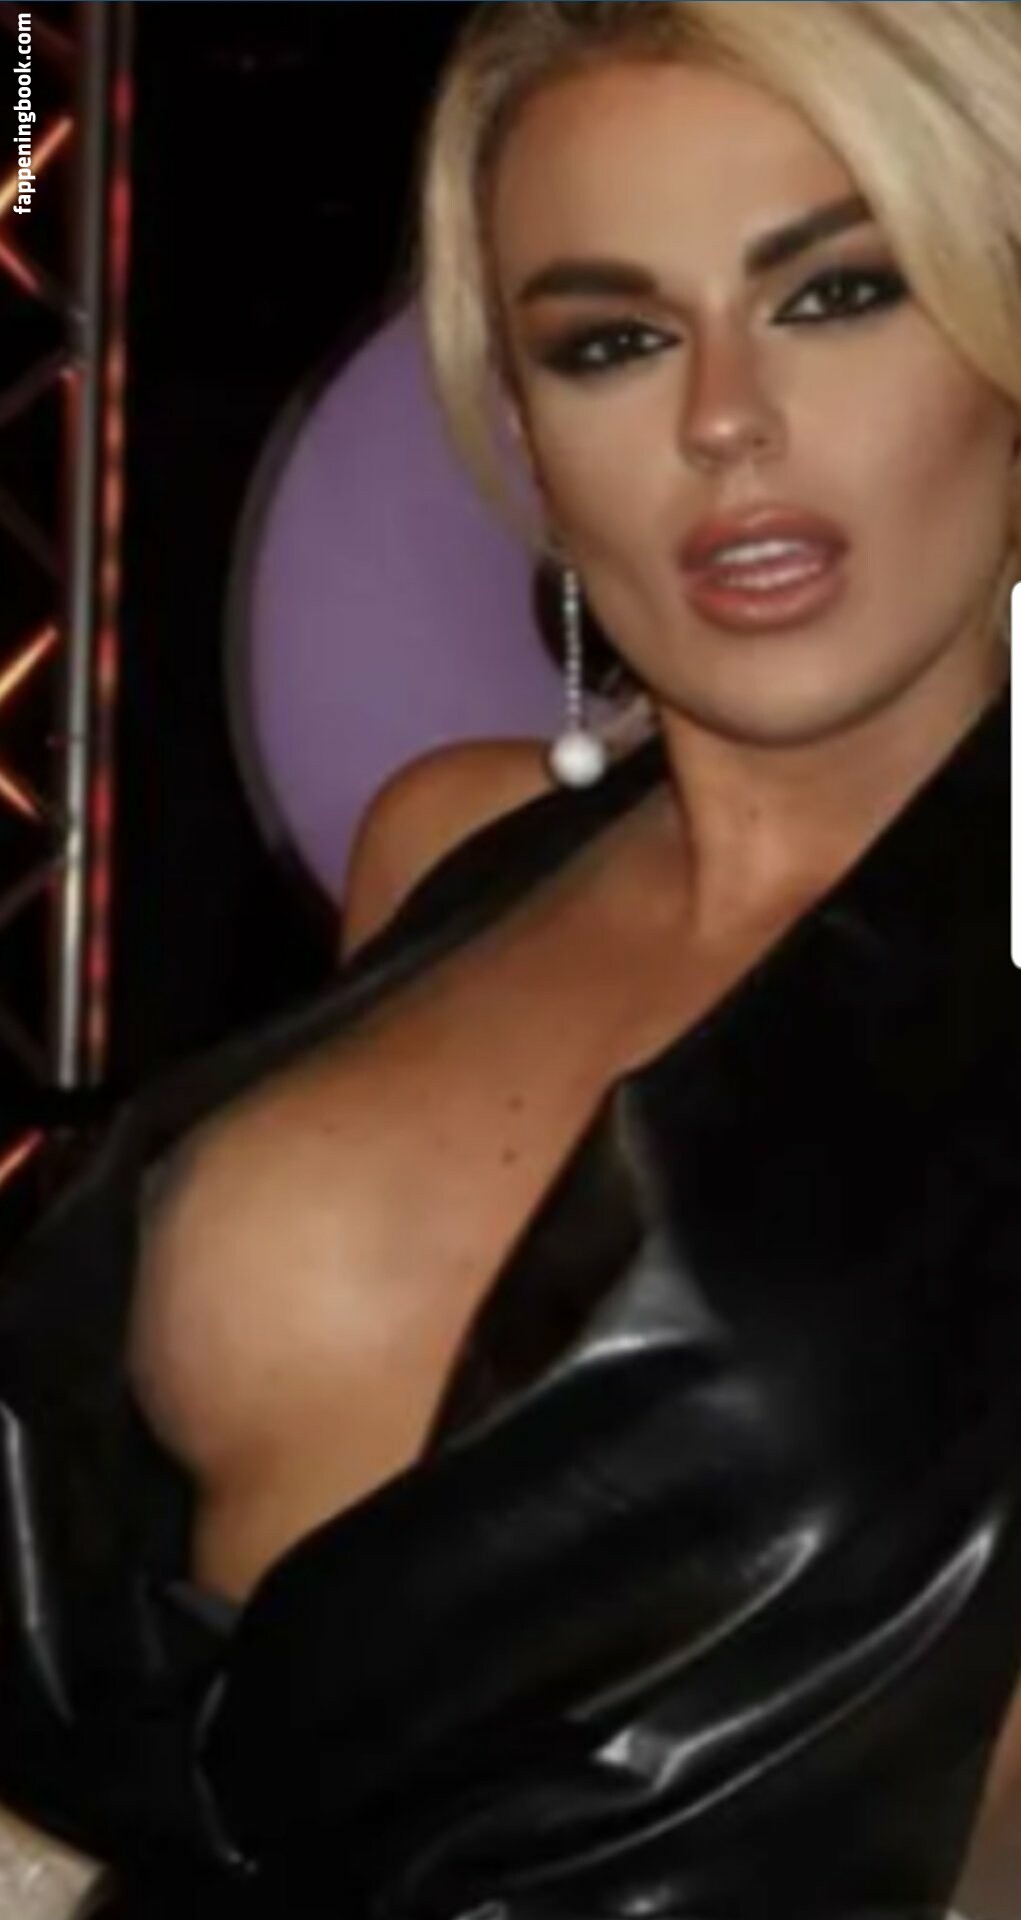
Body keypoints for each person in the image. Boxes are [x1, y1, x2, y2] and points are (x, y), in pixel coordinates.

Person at [0, 3, 1019, 1915]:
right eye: (610, 340)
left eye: (836, 294)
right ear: (529, 443)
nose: (722, 418)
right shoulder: (450, 846)